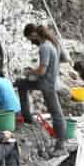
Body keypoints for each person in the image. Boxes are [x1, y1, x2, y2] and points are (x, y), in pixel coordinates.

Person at [15, 24, 67, 156]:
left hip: (47, 84)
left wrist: (31, 71)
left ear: (33, 35)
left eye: (29, 38)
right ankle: (27, 117)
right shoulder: (51, 44)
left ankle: (60, 146)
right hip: (49, 82)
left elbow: (42, 70)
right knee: (22, 84)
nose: (31, 42)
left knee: (56, 113)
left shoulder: (44, 47)